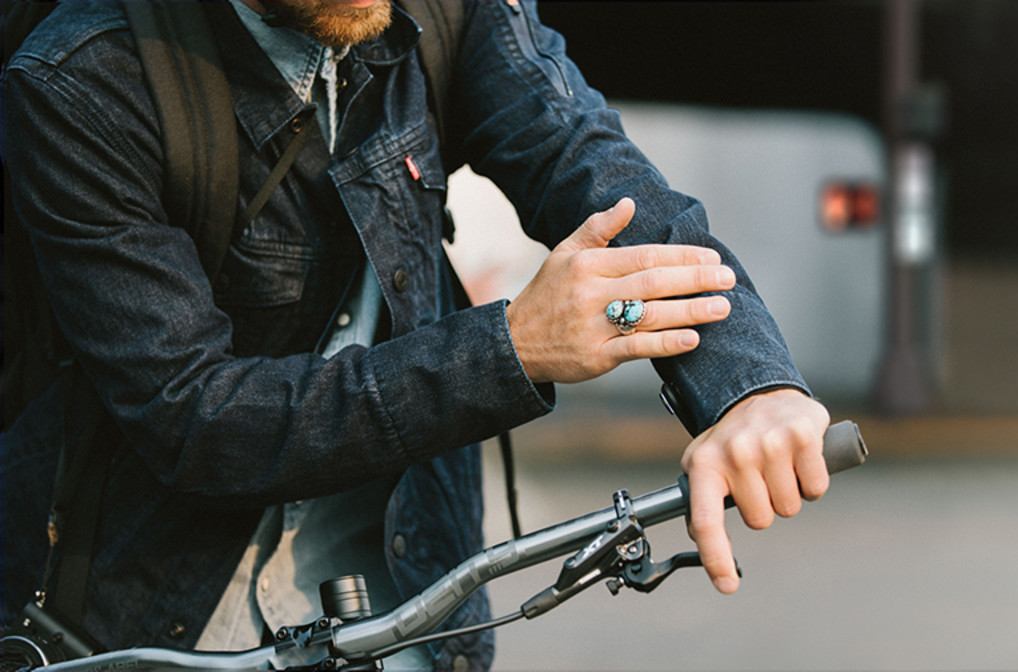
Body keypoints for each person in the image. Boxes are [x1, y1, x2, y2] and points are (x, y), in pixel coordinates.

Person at [0, 1, 831, 669]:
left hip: (406, 601)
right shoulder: (82, 78)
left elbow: (589, 162)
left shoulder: (450, 13)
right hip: (156, 623)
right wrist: (510, 348)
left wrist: (748, 387)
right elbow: (195, 418)